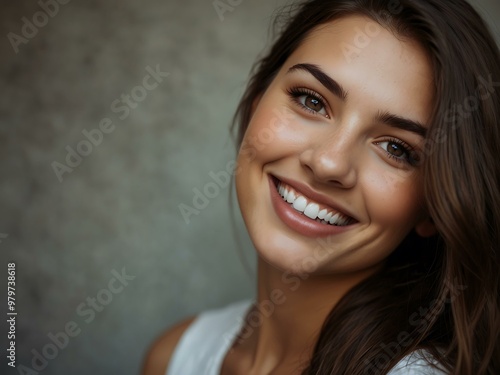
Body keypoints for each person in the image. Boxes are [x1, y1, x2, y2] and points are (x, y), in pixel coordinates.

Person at [142, 0, 500, 374]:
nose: (329, 162)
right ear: (254, 102)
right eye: (311, 101)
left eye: (397, 149)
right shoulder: (174, 357)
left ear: (432, 207)